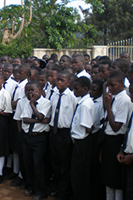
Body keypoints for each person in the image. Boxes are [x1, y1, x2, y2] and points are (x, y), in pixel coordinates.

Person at [101, 71, 133, 200]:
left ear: (122, 84)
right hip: (108, 140)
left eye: (113, 85)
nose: (110, 88)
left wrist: (108, 106)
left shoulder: (124, 100)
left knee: (115, 178)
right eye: (108, 85)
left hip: (116, 140)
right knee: (108, 176)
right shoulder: (112, 96)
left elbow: (116, 127)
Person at [48, 70, 77, 200]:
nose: (58, 82)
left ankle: (64, 192)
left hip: (65, 133)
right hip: (53, 131)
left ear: (68, 83)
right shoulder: (54, 94)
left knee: (64, 163)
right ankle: (58, 188)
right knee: (55, 162)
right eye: (58, 79)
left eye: (62, 80)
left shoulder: (72, 97)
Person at [21, 81, 51, 200]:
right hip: (27, 136)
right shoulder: (26, 103)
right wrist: (40, 120)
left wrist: (33, 105)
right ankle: (31, 186)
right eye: (28, 90)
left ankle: (41, 191)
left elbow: (40, 115)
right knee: (28, 163)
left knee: (38, 164)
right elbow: (25, 119)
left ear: (39, 90)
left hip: (39, 137)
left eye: (32, 90)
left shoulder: (46, 103)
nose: (29, 92)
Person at [70, 77, 94, 200]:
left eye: (76, 88)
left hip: (82, 141)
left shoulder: (85, 104)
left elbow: (88, 127)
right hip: (79, 141)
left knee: (79, 173)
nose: (74, 90)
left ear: (85, 89)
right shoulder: (82, 102)